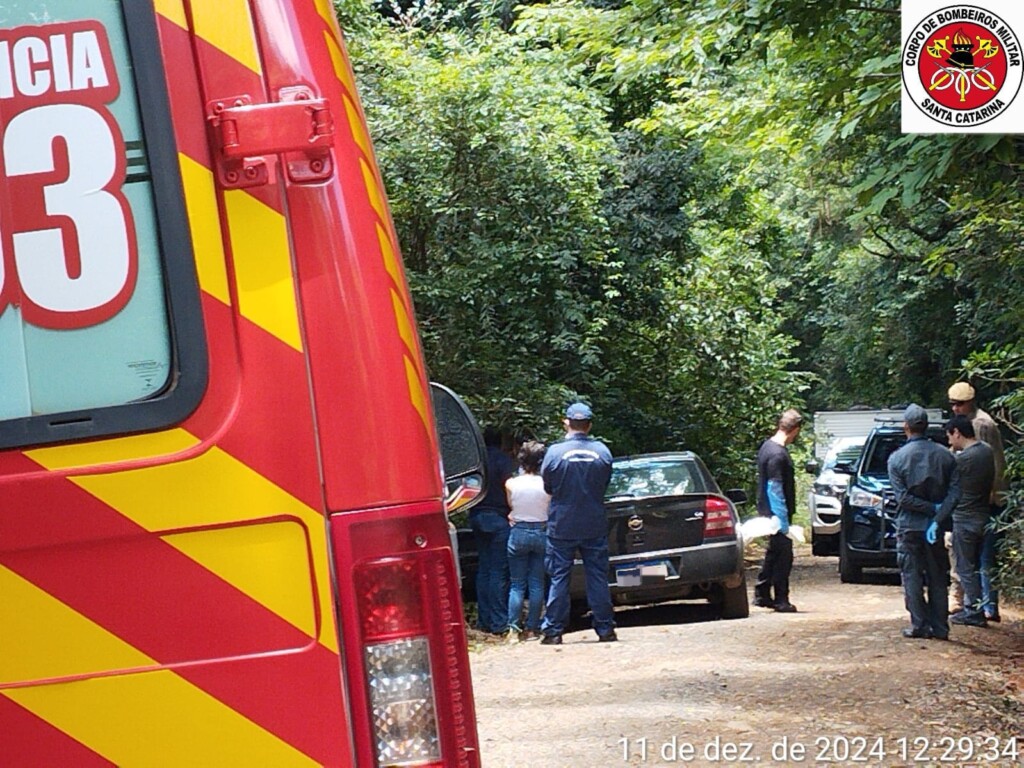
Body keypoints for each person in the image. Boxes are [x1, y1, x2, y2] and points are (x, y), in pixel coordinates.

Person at [539, 402, 615, 645]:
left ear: (567, 422)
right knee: (597, 576)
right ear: (589, 425)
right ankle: (605, 629)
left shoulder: (554, 452)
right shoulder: (603, 452)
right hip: (593, 522)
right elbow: (604, 484)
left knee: (559, 576)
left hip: (562, 524)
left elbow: (548, 486)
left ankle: (553, 631)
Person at [888, 404, 959, 640]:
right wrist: (938, 514)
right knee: (938, 577)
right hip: (935, 528)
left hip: (909, 526)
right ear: (926, 426)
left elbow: (903, 498)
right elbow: (955, 492)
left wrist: (929, 510)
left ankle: (919, 625)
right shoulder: (945, 455)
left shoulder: (897, 459)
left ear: (905, 427)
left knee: (912, 576)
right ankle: (940, 627)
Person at [948, 381, 1008, 622]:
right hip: (983, 499)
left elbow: (985, 467)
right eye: (952, 404)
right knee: (973, 555)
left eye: (959, 404)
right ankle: (973, 603)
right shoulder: (969, 424)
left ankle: (985, 607)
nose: (955, 408)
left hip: (987, 499)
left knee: (980, 557)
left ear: (969, 403)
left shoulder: (980, 425)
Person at [928, 415, 994, 627]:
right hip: (983, 516)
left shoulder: (964, 459)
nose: (949, 441)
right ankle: (982, 606)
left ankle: (973, 612)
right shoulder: (986, 451)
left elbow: (946, 479)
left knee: (965, 568)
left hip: (965, 520)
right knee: (979, 566)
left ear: (957, 432)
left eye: (950, 436)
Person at [753, 408, 803, 613]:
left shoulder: (767, 447)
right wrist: (782, 521)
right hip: (776, 513)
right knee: (784, 557)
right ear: (796, 429)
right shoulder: (777, 454)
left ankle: (762, 593)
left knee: (773, 553)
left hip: (768, 511)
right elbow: (775, 488)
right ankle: (781, 599)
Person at [470, 427, 515, 634]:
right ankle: (499, 622)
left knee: (484, 569)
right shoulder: (503, 461)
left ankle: (484, 620)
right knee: (498, 571)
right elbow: (509, 488)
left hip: (477, 515)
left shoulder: (475, 460)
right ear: (501, 442)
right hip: (498, 517)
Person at [505, 440, 551, 641]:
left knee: (516, 584)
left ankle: (513, 629)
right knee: (537, 583)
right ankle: (532, 628)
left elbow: (511, 507)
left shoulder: (511, 483)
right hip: (541, 530)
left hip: (519, 531)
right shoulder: (547, 485)